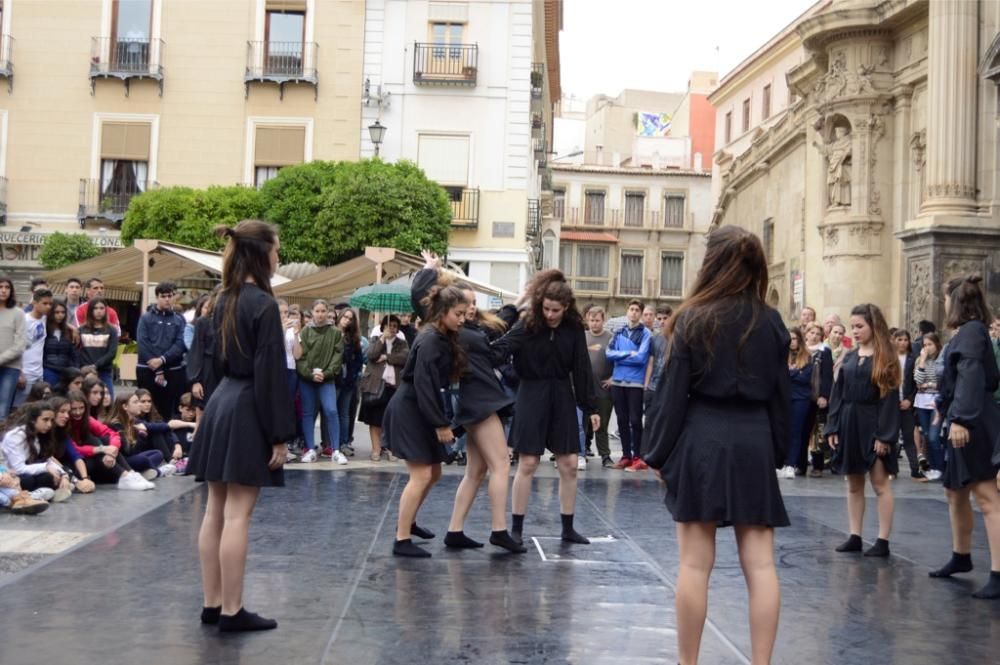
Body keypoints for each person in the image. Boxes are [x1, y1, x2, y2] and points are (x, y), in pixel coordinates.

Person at [642, 225, 790, 665]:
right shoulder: (772, 321)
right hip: (754, 439)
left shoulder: (692, 317)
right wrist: (777, 452)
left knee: (693, 565)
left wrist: (657, 453)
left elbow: (671, 395)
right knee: (761, 566)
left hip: (702, 435)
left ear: (712, 262)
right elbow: (782, 396)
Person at [187, 220, 296, 632]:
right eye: (276, 249)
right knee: (236, 516)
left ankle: (212, 603)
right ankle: (232, 610)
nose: (278, 256)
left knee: (215, 510)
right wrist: (280, 435)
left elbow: (214, 362)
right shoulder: (263, 304)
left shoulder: (222, 299)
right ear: (260, 252)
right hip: (246, 406)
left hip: (222, 404)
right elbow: (270, 372)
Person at [410, 255, 523, 553]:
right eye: (465, 305)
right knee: (501, 465)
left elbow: (500, 327)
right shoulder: (457, 332)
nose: (470, 309)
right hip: (480, 403)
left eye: (473, 304)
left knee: (476, 471)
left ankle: (455, 530)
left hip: (477, 403)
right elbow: (419, 298)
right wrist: (428, 271)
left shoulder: (468, 329)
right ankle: (499, 529)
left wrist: (520, 304)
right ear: (450, 310)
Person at [492, 269, 598, 547]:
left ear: (566, 307)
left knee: (570, 464)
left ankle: (568, 527)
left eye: (556, 310)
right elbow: (500, 350)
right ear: (540, 304)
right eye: (546, 308)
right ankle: (516, 529)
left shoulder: (573, 329)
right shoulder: (528, 325)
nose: (550, 314)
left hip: (561, 393)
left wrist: (591, 406)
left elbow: (582, 368)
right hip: (531, 393)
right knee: (527, 463)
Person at [383, 278, 468, 558]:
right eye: (458, 314)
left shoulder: (440, 335)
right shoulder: (431, 338)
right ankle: (401, 538)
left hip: (418, 407)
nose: (463, 319)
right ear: (443, 311)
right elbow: (423, 384)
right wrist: (440, 423)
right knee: (421, 475)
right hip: (410, 408)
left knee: (433, 473)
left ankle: (410, 522)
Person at [928, 276, 1000, 599]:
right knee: (955, 492)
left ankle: (999, 573)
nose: (943, 304)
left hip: (972, 422)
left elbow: (971, 375)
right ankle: (961, 556)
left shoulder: (971, 332)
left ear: (954, 300)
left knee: (986, 496)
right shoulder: (969, 332)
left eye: (945, 298)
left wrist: (960, 419)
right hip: (965, 417)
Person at [825, 304, 900, 558]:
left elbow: (889, 398)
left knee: (880, 483)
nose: (854, 331)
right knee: (854, 483)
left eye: (860, 326)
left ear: (873, 326)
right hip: (849, 422)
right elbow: (837, 394)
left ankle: (882, 540)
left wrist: (884, 435)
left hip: (874, 423)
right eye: (853, 326)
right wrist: (833, 426)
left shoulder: (884, 359)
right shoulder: (848, 357)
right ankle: (855, 535)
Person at [63, 389, 150, 490]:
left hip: (102, 458)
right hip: (74, 461)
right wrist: (101, 449)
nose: (78, 412)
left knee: (104, 440)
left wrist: (112, 449)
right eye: (74, 409)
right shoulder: (65, 423)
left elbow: (112, 434)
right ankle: (125, 475)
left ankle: (129, 474)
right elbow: (74, 450)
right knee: (97, 442)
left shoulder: (87, 419)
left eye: (81, 408)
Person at [296, 299, 346, 465]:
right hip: (307, 379)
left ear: (328, 312)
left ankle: (336, 450)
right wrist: (310, 374)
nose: (320, 314)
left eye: (323, 311)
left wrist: (326, 373)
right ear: (312, 313)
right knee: (308, 413)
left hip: (327, 379)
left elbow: (337, 357)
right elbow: (300, 357)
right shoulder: (304, 332)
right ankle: (310, 449)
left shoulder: (335, 333)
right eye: (317, 311)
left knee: (331, 411)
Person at [607, 299, 652, 471]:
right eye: (631, 309)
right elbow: (609, 354)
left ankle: (637, 457)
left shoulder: (646, 333)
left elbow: (641, 358)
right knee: (622, 419)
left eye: (637, 310)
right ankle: (625, 456)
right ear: (627, 311)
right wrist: (628, 353)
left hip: (635, 383)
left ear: (640, 314)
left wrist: (621, 356)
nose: (633, 312)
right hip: (618, 381)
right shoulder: (618, 332)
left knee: (635, 419)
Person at [1, 400, 73, 501]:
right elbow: (18, 468)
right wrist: (45, 467)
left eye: (51, 420)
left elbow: (47, 460)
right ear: (33, 420)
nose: (49, 424)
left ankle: (41, 493)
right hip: (9, 475)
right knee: (28, 480)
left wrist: (64, 474)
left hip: (25, 471)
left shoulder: (40, 435)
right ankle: (31, 496)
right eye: (45, 420)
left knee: (48, 477)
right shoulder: (16, 436)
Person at [359, 315, 408, 462]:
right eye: (389, 325)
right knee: (375, 420)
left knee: (392, 420)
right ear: (383, 327)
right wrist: (382, 340)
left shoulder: (402, 343)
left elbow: (405, 357)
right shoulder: (375, 340)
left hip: (394, 386)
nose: (392, 328)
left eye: (394, 326)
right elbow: (371, 355)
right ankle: (376, 449)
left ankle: (391, 449)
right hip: (376, 385)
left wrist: (387, 356)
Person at [137, 282, 187, 420]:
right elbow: (142, 342)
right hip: (147, 370)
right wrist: (156, 365)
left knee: (168, 410)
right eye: (163, 296)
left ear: (174, 297)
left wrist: (162, 359)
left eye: (170, 296)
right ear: (157, 297)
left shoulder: (179, 319)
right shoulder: (146, 318)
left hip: (172, 371)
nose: (167, 299)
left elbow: (180, 343)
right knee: (145, 409)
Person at [109, 394, 172, 481]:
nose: (139, 405)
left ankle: (143, 472)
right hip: (122, 461)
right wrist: (139, 434)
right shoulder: (116, 425)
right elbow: (127, 451)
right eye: (135, 402)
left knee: (158, 453)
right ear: (125, 406)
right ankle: (159, 471)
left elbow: (136, 451)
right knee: (142, 459)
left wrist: (141, 436)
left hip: (132, 457)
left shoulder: (133, 422)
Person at [781, 328, 813, 479]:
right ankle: (781, 462)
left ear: (799, 339)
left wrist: (789, 372)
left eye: (794, 338)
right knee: (782, 430)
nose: (792, 341)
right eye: (790, 338)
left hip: (800, 398)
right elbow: (778, 375)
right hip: (783, 397)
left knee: (796, 431)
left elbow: (805, 378)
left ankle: (791, 464)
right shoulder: (780, 354)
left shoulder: (807, 356)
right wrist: (795, 372)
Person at [585, 305, 614, 468]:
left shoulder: (611, 338)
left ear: (603, 321)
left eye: (597, 320)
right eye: (591, 320)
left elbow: (620, 360)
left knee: (601, 424)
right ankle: (583, 450)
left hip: (603, 389)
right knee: (584, 423)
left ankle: (605, 456)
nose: (594, 324)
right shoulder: (582, 337)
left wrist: (613, 377)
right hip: (585, 390)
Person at [13, 288, 52, 408]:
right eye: (44, 303)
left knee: (36, 409)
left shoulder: (44, 318)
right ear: (34, 303)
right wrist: (19, 373)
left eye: (50, 304)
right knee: (19, 408)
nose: (48, 306)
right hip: (24, 373)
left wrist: (72, 328)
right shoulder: (23, 320)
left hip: (39, 374)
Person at [893, 329, 923, 481]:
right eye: (899, 339)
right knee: (891, 437)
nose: (903, 343)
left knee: (909, 437)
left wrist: (909, 400)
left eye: (905, 340)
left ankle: (914, 469)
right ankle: (892, 468)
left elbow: (916, 383)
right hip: (891, 403)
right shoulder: (889, 358)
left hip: (907, 403)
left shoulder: (913, 359)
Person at [914, 332, 944, 481]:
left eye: (930, 344)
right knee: (926, 435)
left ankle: (940, 469)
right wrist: (922, 361)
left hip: (937, 401)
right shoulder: (921, 360)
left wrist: (929, 384)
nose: (927, 348)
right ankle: (931, 469)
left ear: (937, 344)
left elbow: (943, 382)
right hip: (921, 401)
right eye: (924, 345)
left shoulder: (942, 360)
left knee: (933, 436)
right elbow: (918, 382)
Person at [334, 308, 364, 458]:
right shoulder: (331, 332)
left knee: (344, 413)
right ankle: (331, 444)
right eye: (345, 317)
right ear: (339, 317)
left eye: (350, 318)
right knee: (331, 412)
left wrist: (353, 374)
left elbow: (359, 359)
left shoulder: (353, 337)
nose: (346, 320)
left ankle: (343, 442)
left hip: (348, 380)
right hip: (333, 378)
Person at [187, 290, 220, 420]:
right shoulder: (204, 322)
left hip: (226, 372)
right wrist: (195, 381)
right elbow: (196, 351)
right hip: (207, 371)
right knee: (203, 414)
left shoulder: (233, 321)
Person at [77, 297, 118, 397]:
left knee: (107, 401)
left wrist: (96, 366)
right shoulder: (81, 329)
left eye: (101, 308)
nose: (99, 311)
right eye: (95, 308)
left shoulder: (112, 330)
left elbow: (112, 353)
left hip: (104, 372)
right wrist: (85, 368)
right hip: (84, 372)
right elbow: (77, 351)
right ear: (90, 311)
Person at [0, 275, 25, 419]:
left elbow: (20, 345)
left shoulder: (18, 313)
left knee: (3, 409)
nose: (4, 290)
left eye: (7, 287)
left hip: (10, 367)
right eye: (1, 287)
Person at [42, 299, 79, 387]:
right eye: (57, 312)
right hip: (48, 369)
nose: (60, 315)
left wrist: (75, 370)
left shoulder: (69, 331)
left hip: (66, 371)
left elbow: (74, 353)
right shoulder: (44, 329)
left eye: (63, 312)